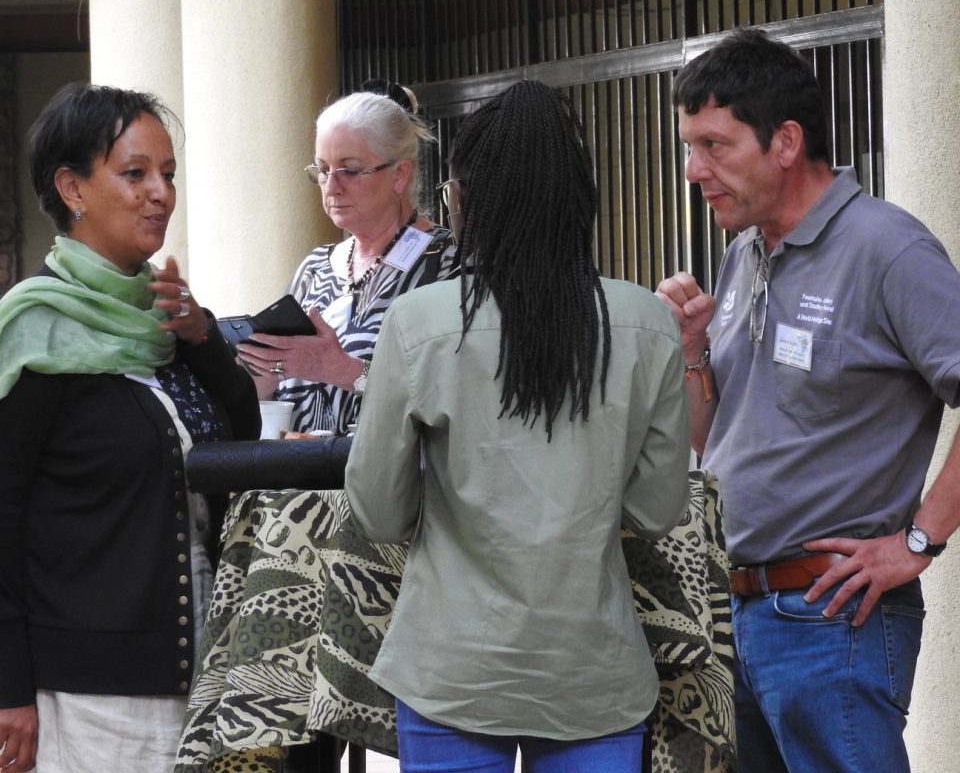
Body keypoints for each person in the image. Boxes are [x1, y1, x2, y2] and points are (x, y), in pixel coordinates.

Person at [344, 80, 691, 771]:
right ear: (580, 198)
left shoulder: (420, 324)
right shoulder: (647, 324)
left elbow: (378, 512)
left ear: (466, 197)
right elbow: (656, 512)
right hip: (594, 675)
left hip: (450, 671)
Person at [656, 27, 960, 773]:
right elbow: (714, 439)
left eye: (714, 146)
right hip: (737, 612)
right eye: (689, 147)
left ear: (785, 141)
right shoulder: (744, 252)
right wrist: (693, 356)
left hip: (831, 620)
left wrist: (918, 542)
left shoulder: (887, 249)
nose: (695, 170)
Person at [0, 84, 261, 773]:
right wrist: (7, 689)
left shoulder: (163, 322)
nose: (161, 194)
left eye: (168, 174)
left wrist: (203, 338)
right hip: (90, 694)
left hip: (202, 672)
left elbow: (241, 443)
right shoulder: (35, 334)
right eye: (135, 172)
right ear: (72, 188)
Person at [236, 82, 458, 435]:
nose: (331, 186)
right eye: (323, 170)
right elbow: (268, 390)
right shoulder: (314, 268)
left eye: (350, 170)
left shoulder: (446, 263)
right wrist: (258, 370)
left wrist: (340, 369)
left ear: (399, 175)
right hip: (300, 479)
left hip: (395, 484)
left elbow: (455, 396)